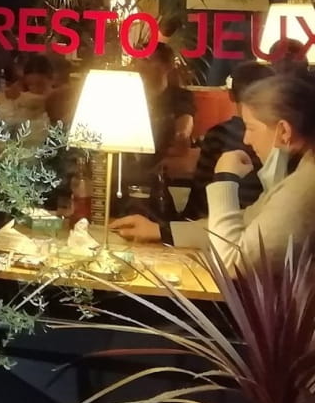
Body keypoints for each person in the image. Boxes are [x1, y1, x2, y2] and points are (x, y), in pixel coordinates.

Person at [112, 74, 315, 269]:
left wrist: (224, 180)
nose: (246, 139)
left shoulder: (302, 188)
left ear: (284, 131)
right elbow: (243, 223)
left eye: (251, 128)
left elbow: (233, 262)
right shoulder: (301, 172)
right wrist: (160, 231)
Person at [182, 62, 275, 220]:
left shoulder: (218, 135)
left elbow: (200, 193)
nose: (247, 139)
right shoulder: (276, 139)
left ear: (230, 95)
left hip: (216, 220)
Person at [137, 43, 195, 157]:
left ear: (167, 66)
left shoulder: (180, 97)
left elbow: (185, 123)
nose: (140, 64)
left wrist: (182, 135)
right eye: (139, 59)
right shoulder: (131, 95)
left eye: (147, 60)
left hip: (163, 159)